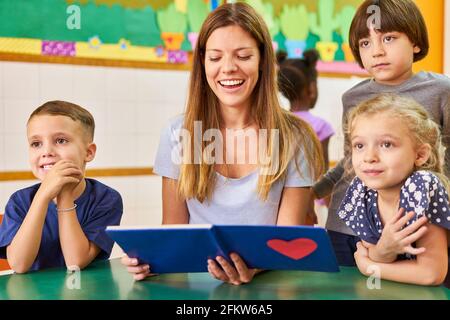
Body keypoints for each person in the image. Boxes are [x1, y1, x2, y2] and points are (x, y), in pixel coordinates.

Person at [121, 2, 323, 285]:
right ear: (203, 63)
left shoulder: (295, 137)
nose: (228, 68)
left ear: (263, 60)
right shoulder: (177, 133)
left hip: (271, 287)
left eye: (243, 56)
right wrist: (156, 261)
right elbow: (174, 231)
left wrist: (255, 266)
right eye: (215, 58)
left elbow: (285, 241)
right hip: (197, 289)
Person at [312, 0, 450, 266]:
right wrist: (315, 191)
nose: (376, 51)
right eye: (365, 43)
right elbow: (351, 160)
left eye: (388, 38)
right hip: (346, 226)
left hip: (413, 223)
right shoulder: (352, 97)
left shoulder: (441, 91)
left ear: (416, 43)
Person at [337, 94, 449, 285]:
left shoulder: (422, 187)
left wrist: (368, 267)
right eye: (360, 145)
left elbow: (431, 274)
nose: (369, 157)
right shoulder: (363, 191)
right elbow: (376, 254)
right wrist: (382, 251)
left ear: (420, 155)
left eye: (386, 144)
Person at [0, 101, 123, 273]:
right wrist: (43, 195)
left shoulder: (106, 199)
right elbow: (19, 265)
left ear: (89, 152)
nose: (46, 151)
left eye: (61, 140)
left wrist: (65, 194)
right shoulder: (19, 201)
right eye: (36, 143)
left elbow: (75, 262)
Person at [278, 49, 335, 171]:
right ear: (312, 88)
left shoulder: (276, 123)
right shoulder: (321, 127)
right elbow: (322, 172)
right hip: (310, 190)